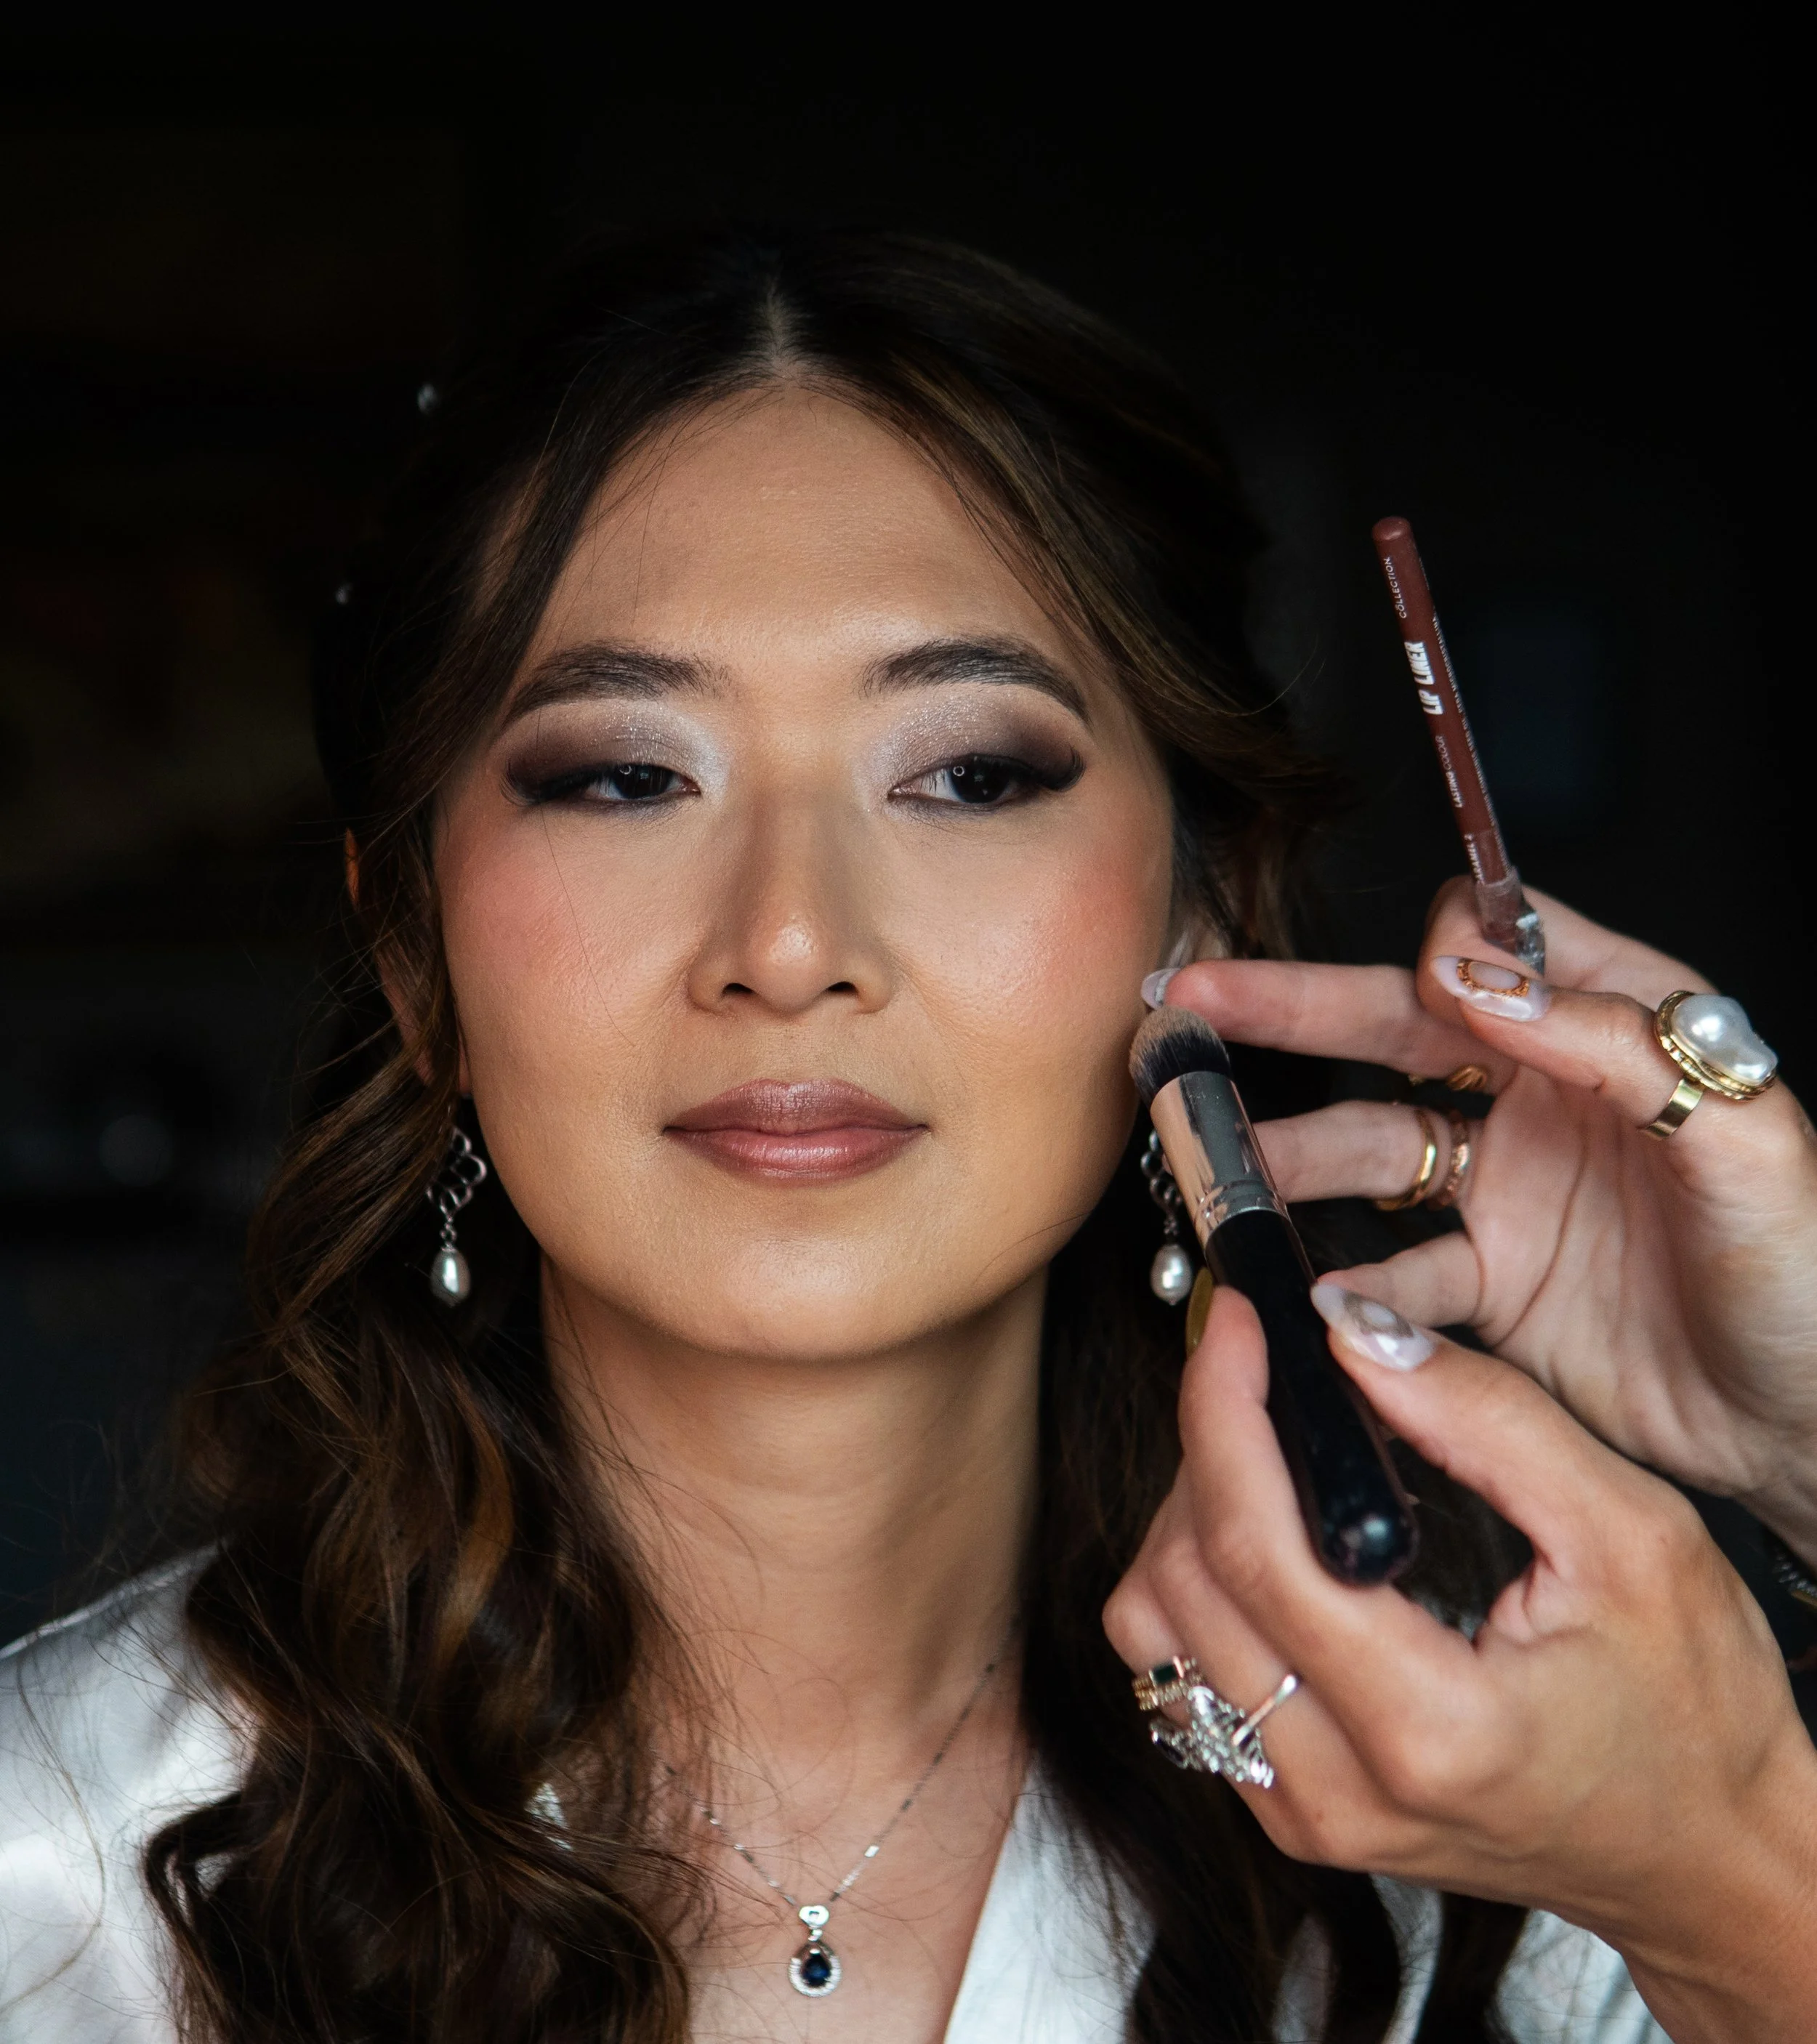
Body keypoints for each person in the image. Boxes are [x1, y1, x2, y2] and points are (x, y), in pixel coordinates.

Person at [1, 228, 1812, 2044]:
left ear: (1191, 931)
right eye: (627, 774)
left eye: (966, 773)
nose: (789, 943)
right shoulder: (46, 1874)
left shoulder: (1548, 1855)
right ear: (414, 950)